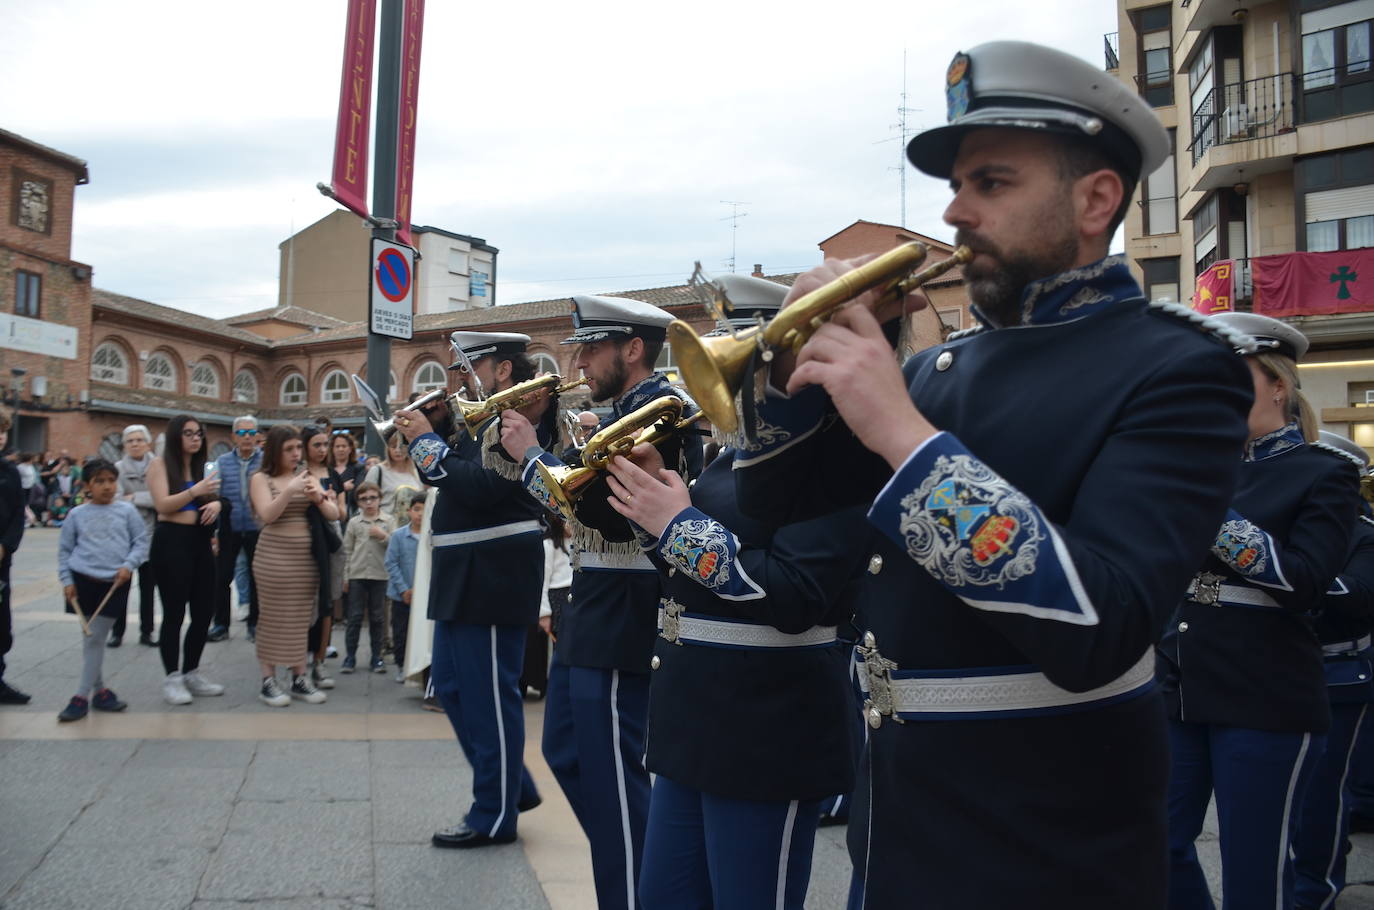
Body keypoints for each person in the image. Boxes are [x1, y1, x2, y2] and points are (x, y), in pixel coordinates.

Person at [725, 41, 1255, 908]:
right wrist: (795, 373)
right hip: (896, 822)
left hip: (1045, 841)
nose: (956, 210)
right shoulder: (941, 370)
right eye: (958, 185)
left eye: (992, 184)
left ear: (1096, 199)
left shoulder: (1180, 368)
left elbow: (1102, 625)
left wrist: (898, 428)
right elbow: (771, 508)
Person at [603, 274, 861, 909]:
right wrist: (654, 507)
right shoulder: (734, 452)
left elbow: (798, 592)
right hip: (696, 724)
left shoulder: (840, 449)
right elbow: (694, 578)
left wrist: (678, 523)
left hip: (767, 731)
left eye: (733, 348)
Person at [501, 298, 703, 907]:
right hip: (594, 602)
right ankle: (650, 869)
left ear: (632, 349)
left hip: (627, 604)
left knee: (619, 781)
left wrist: (530, 455)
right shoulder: (616, 410)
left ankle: (638, 889)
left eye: (591, 348)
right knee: (565, 749)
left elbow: (603, 514)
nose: (579, 360)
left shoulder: (658, 412)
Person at [1159, 313, 1358, 910]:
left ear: (1278, 384)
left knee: (1256, 873)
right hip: (1179, 688)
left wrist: (1209, 505)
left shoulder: (1326, 473)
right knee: (1157, 848)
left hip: (1266, 694)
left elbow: (1305, 582)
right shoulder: (1192, 472)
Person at [395, 330, 558, 850]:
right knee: (451, 687)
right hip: (465, 568)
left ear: (502, 369)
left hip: (494, 569)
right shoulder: (478, 416)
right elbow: (449, 476)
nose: (456, 377)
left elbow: (486, 487)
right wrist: (428, 436)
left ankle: (494, 813)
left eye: (466, 365)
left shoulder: (516, 417)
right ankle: (513, 787)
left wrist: (426, 438)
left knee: (489, 699)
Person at [1292, 432, 1374, 910]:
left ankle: (1314, 892)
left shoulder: (1362, 533)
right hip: (1274, 674)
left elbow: (1358, 598)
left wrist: (1290, 584)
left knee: (1323, 796)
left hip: (1336, 676)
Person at [249, 425, 339, 708]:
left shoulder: (306, 475)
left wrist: (317, 497)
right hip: (273, 557)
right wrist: (289, 490)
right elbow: (267, 515)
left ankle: (299, 676)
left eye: (298, 448)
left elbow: (334, 513)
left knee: (301, 617)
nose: (296, 453)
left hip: (306, 560)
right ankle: (267, 679)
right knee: (272, 617)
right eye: (289, 449)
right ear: (275, 450)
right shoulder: (260, 478)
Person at [56, 459, 148, 722]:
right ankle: (101, 693)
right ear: (86, 486)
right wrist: (66, 581)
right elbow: (64, 550)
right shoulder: (76, 515)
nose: (107, 486)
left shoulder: (127, 511)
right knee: (91, 640)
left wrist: (129, 565)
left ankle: (80, 697)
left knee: (94, 638)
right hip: (82, 581)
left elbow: (140, 542)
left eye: (111, 480)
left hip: (115, 583)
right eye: (100, 481)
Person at [147, 414, 225, 706]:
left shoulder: (200, 466)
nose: (196, 438)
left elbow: (214, 498)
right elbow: (162, 505)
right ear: (175, 435)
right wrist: (195, 491)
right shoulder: (159, 464)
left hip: (200, 542)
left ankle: (192, 671)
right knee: (174, 613)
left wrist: (216, 502)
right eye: (189, 433)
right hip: (171, 543)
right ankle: (173, 677)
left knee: (204, 611)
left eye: (199, 434)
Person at [209, 416, 262, 643]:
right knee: (222, 578)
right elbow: (214, 497)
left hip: (256, 528)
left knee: (256, 577)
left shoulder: (266, 461)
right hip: (228, 529)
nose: (247, 437)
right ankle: (221, 624)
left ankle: (255, 624)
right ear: (234, 436)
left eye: (251, 433)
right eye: (241, 433)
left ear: (257, 436)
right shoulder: (222, 462)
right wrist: (214, 534)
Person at [301, 425, 344, 688]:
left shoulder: (331, 475)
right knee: (305, 601)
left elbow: (341, 511)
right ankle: (300, 659)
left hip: (329, 539)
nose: (322, 450)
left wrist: (327, 501)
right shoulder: (298, 474)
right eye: (316, 444)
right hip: (303, 539)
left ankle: (319, 661)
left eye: (324, 444)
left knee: (326, 601)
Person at [113, 425, 159, 647]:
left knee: (148, 589)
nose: (135, 444)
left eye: (140, 440)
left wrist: (134, 498)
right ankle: (117, 632)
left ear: (148, 443)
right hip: (124, 536)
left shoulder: (159, 466)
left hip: (153, 535)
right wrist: (147, 500)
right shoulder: (117, 469)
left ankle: (147, 632)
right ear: (124, 445)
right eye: (130, 440)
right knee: (121, 585)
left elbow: (162, 498)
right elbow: (116, 499)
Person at [341, 481, 390, 674]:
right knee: (354, 616)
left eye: (373, 498)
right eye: (364, 499)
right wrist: (346, 577)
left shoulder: (388, 520)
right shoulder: (354, 522)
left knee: (378, 618)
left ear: (380, 500)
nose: (369, 502)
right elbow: (347, 550)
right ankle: (350, 656)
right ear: (358, 502)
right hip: (357, 575)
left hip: (380, 575)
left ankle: (376, 657)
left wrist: (383, 536)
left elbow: (395, 547)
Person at [0, 413, 29, 705]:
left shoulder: (9, 471)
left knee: (1, 623)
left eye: (3, 431)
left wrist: (6, 545)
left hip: (0, 560)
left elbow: (18, 514)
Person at [385, 491, 426, 683]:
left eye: (425, 511)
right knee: (400, 632)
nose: (420, 514)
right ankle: (401, 665)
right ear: (409, 511)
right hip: (402, 595)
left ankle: (419, 667)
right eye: (417, 510)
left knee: (420, 633)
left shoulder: (431, 536)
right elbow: (391, 563)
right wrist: (404, 589)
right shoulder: (398, 536)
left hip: (424, 595)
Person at [366, 432, 422, 525]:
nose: (397, 450)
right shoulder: (377, 470)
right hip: (384, 526)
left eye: (401, 446)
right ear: (388, 449)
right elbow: (366, 499)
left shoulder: (416, 473)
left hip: (410, 529)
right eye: (393, 446)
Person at [329, 431, 364, 518]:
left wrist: (335, 489)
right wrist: (344, 487)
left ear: (350, 448)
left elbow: (358, 492)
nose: (341, 449)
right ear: (332, 449)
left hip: (352, 514)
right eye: (337, 446)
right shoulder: (327, 469)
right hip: (330, 511)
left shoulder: (359, 468)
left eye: (344, 446)